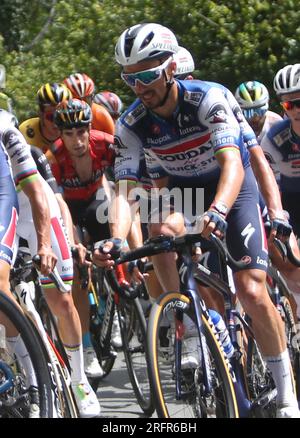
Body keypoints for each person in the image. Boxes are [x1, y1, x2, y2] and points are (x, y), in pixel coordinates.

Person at [93, 23, 299, 417]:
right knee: (159, 229)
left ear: (171, 68)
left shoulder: (209, 99)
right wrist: (117, 239)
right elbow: (124, 191)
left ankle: (286, 392)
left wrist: (220, 212)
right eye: (130, 78)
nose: (140, 87)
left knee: (252, 290)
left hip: (232, 188)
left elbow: (235, 164)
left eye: (148, 76)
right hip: (185, 192)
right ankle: (188, 321)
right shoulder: (131, 124)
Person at [0, 109, 100, 417]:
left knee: (60, 299)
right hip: (10, 214)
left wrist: (45, 246)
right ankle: (35, 382)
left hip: (33, 211)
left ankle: (80, 379)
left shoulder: (10, 137)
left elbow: (39, 196)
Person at [51, 98, 122, 352]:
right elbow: (58, 205)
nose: (77, 140)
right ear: (60, 134)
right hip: (68, 209)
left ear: (90, 128)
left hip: (95, 201)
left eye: (81, 132)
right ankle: (87, 346)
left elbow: (127, 190)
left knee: (114, 242)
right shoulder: (54, 157)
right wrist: (73, 244)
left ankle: (116, 304)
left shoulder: (106, 145)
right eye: (69, 134)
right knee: (78, 266)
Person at [259, 63, 300, 316]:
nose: (295, 110)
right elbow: (266, 184)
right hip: (290, 201)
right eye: (288, 105)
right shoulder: (274, 138)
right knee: (291, 259)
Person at [19, 83, 72, 158]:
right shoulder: (24, 132)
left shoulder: (75, 134)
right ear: (41, 115)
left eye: (63, 116)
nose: (57, 122)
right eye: (51, 117)